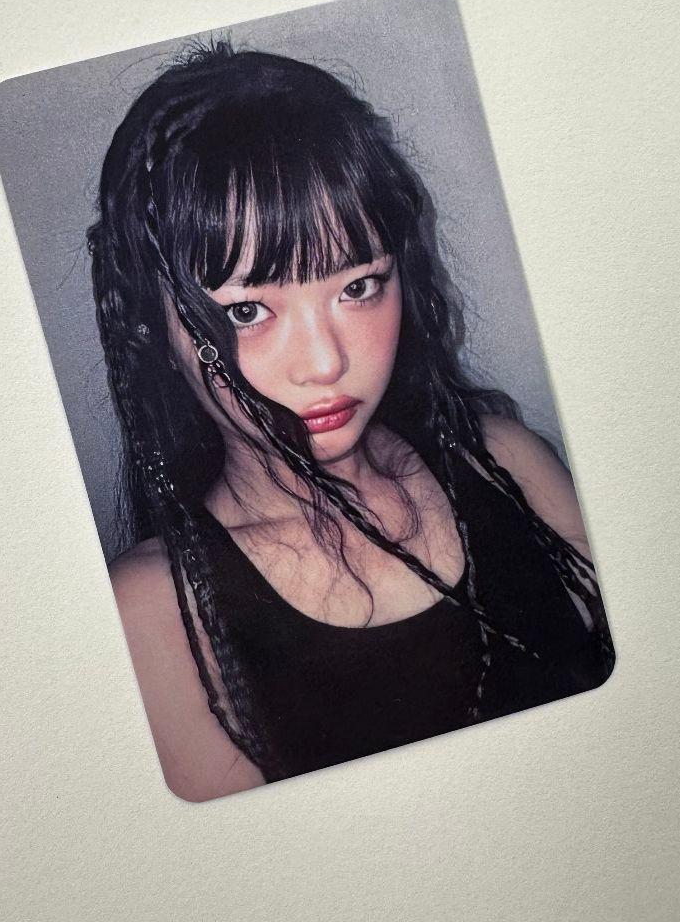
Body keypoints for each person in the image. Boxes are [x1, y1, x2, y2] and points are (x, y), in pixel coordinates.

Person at [87, 40, 614, 803]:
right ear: (154, 329)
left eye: (359, 286)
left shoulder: (506, 462)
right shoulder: (154, 611)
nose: (325, 362)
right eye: (247, 311)